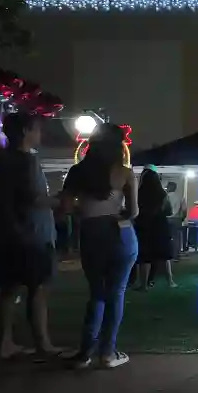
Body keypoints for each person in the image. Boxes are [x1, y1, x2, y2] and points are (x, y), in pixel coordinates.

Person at [0, 112, 60, 360]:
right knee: (39, 288)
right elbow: (33, 198)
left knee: (8, 289)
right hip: (32, 234)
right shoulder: (26, 162)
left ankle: (5, 343)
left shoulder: (0, 161)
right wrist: (60, 202)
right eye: (37, 129)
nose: (40, 134)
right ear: (25, 131)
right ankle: (43, 343)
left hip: (5, 234)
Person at [59, 123, 139, 369]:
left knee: (97, 294)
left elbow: (66, 208)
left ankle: (84, 353)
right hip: (122, 234)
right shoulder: (124, 172)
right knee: (116, 293)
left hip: (93, 235)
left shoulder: (78, 172)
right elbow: (134, 211)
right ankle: (108, 353)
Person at [133, 168, 177, 289]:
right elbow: (169, 211)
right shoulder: (162, 194)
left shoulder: (139, 194)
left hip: (143, 225)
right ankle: (170, 281)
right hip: (160, 225)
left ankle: (143, 284)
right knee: (164, 254)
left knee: (145, 256)